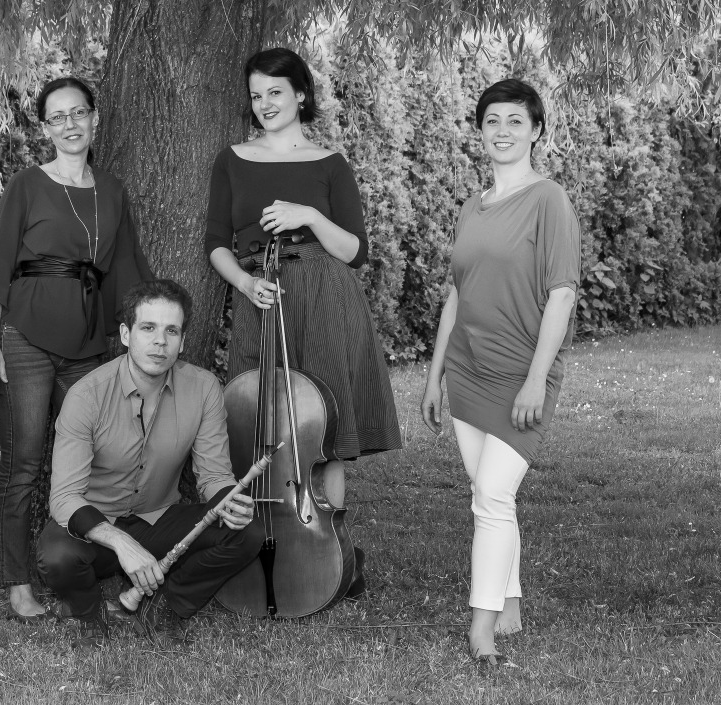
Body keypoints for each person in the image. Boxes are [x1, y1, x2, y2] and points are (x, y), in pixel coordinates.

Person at [203, 47, 402, 593]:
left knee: (326, 428)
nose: (265, 104)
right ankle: (259, 544)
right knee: (254, 418)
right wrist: (245, 284)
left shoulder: (329, 162)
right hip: (261, 297)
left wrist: (308, 215)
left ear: (300, 95)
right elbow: (216, 242)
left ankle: (328, 554)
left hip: (324, 298)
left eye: (276, 92)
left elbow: (355, 251)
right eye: (256, 95)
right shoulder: (232, 159)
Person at [0, 77, 153, 622]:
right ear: (45, 128)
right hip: (24, 338)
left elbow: (127, 271)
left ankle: (84, 564)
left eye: (78, 113)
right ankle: (16, 582)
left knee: (92, 461)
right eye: (57, 117)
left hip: (87, 345)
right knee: (24, 463)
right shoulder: (27, 184)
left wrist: (142, 336)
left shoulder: (112, 190)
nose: (70, 124)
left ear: (95, 117)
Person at [420, 79, 582, 667]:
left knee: (492, 492)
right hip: (467, 368)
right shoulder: (471, 206)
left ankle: (481, 628)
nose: (503, 131)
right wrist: (435, 375)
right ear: (480, 132)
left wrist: (537, 379)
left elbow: (562, 293)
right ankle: (510, 604)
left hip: (522, 371)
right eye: (492, 120)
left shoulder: (550, 200)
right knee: (490, 496)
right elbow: (456, 295)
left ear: (536, 131)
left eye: (516, 120)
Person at [36, 280, 264, 647]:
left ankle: (167, 605)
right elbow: (64, 498)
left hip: (159, 519)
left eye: (171, 331)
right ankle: (88, 612)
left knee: (247, 532)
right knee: (57, 557)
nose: (160, 342)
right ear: (126, 335)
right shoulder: (86, 396)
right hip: (98, 526)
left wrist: (229, 501)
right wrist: (122, 543)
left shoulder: (204, 388)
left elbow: (214, 474)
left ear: (182, 341)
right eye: (148, 328)